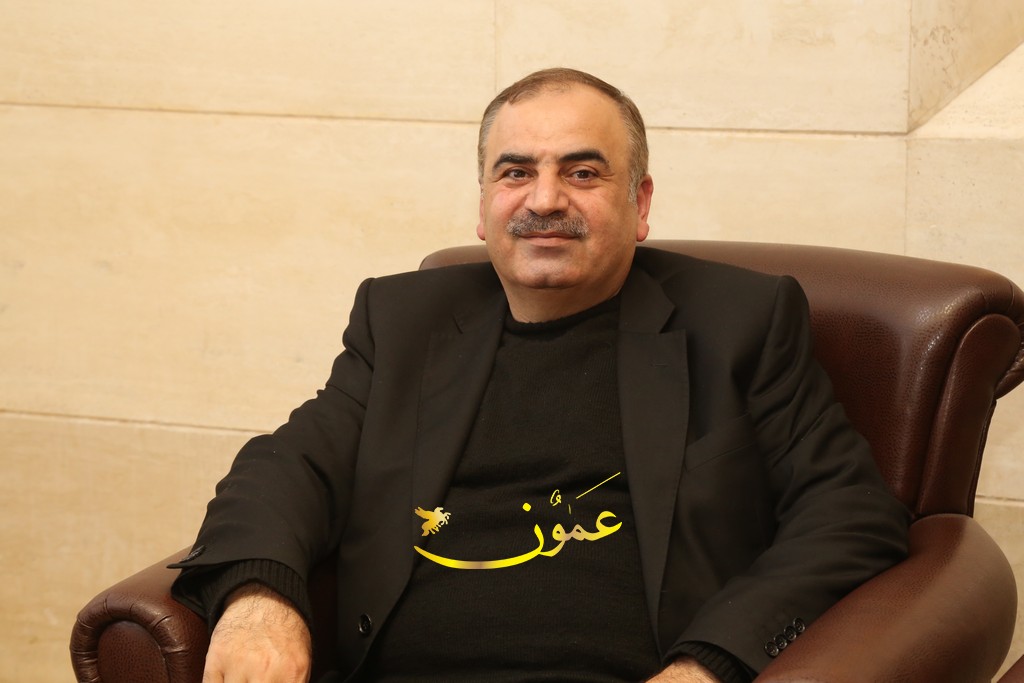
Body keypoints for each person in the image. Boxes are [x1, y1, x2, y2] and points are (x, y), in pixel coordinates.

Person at [171, 68, 910, 683]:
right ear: (483, 206)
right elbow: (289, 465)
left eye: (582, 172)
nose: (545, 198)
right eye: (516, 172)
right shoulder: (403, 321)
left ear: (640, 203)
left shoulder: (739, 321)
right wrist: (259, 599)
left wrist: (708, 664)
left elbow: (849, 514)